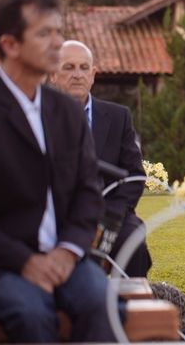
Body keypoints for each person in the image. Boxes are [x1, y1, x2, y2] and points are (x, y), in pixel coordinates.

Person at [0, 0, 116, 342]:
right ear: (11, 45)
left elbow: (88, 193)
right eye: (44, 33)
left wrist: (67, 251)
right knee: (30, 314)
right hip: (2, 264)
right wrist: (25, 261)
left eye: (58, 33)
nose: (56, 43)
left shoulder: (66, 112)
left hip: (66, 257)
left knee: (100, 301)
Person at [50, 40, 152, 278]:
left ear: (93, 74)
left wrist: (108, 216)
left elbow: (134, 175)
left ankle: (129, 308)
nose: (77, 74)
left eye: (84, 68)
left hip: (109, 213)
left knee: (132, 238)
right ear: (53, 74)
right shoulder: (39, 116)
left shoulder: (118, 117)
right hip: (56, 215)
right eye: (69, 67)